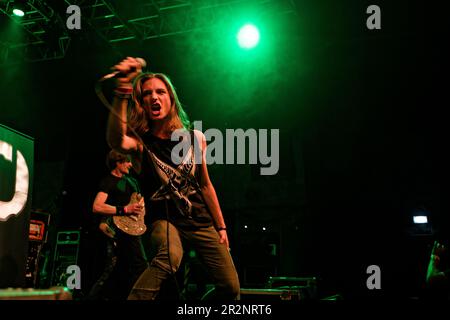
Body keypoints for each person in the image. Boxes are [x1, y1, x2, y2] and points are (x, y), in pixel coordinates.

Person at [105, 57, 240, 300]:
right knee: (170, 257)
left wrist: (221, 226)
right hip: (164, 222)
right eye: (147, 94)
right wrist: (123, 89)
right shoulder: (140, 144)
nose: (154, 97)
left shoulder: (195, 137)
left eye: (160, 92)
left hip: (200, 221)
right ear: (142, 104)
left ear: (171, 98)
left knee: (230, 288)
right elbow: (116, 140)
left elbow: (206, 185)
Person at [87, 150, 148, 300]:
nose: (130, 164)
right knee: (114, 268)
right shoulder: (108, 181)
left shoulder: (132, 181)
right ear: (118, 162)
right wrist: (124, 210)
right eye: (127, 161)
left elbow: (138, 200)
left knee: (135, 266)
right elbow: (97, 206)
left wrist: (141, 207)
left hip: (131, 229)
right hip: (114, 229)